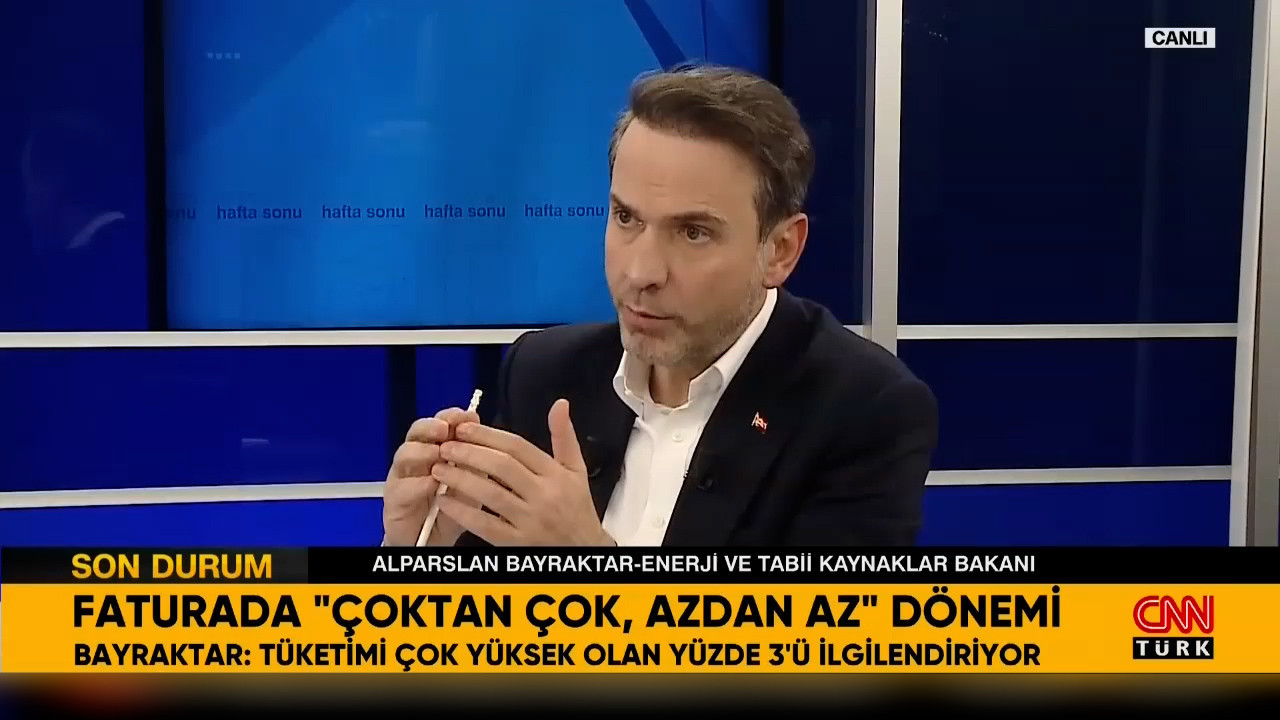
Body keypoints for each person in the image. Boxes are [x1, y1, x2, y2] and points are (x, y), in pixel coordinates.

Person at [382, 63, 938, 547]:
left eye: (693, 232)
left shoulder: (865, 412)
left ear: (780, 250)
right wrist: (418, 548)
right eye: (626, 218)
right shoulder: (545, 373)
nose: (641, 273)